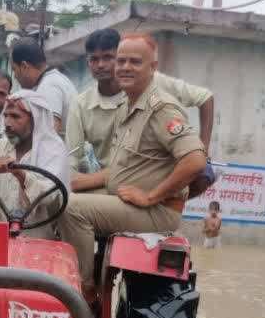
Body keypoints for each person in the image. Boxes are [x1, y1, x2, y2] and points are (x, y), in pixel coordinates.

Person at [58, 34, 208, 302]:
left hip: (154, 210)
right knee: (55, 201)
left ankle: (84, 290)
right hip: (125, 199)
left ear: (152, 68)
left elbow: (195, 160)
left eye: (135, 62)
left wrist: (152, 196)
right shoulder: (130, 104)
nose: (125, 67)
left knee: (71, 209)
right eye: (122, 61)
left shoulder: (160, 108)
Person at [66, 29, 216, 194]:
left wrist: (204, 149)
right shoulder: (81, 104)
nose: (100, 65)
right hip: (114, 179)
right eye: (94, 59)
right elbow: (71, 158)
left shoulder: (153, 84)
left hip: (152, 175)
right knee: (69, 201)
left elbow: (205, 98)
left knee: (201, 173)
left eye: (108, 57)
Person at [0, 90, 70, 240]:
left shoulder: (53, 150)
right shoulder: (2, 146)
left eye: (15, 117)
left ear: (35, 120)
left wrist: (19, 173)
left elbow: (50, 196)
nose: (7, 123)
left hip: (39, 241)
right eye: (5, 116)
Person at [10, 38, 77, 136]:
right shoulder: (54, 79)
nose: (15, 76)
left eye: (14, 69)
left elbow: (48, 137)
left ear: (24, 67)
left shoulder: (48, 87)